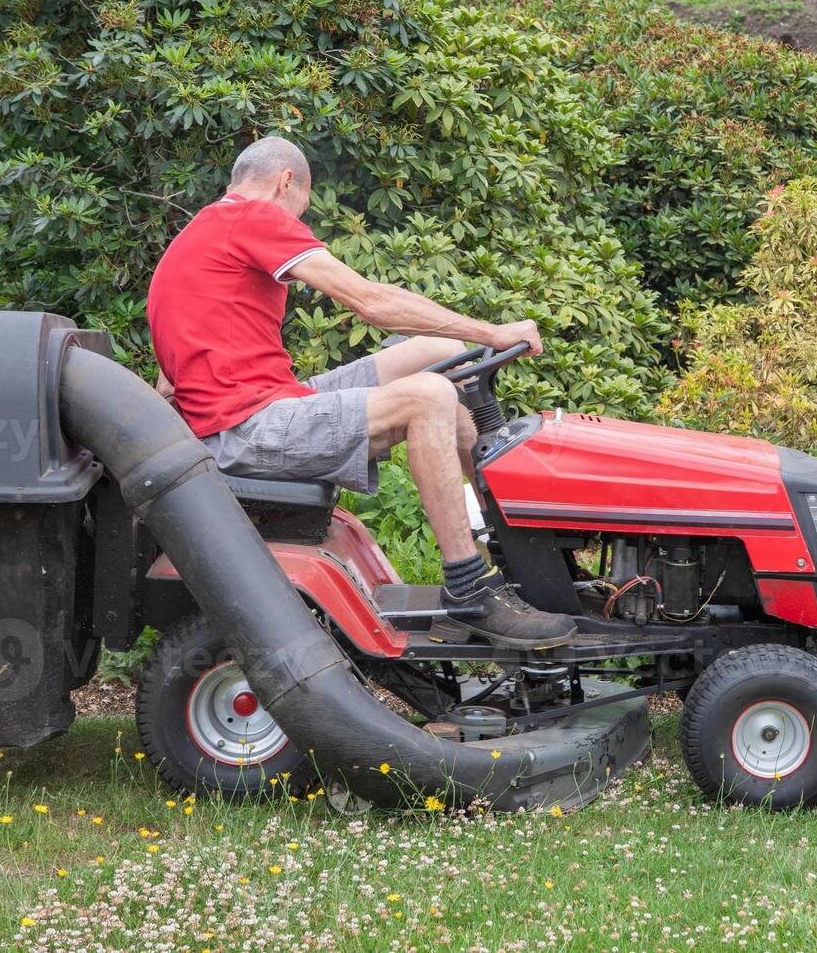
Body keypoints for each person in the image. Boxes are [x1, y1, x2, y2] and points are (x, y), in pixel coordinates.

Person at [146, 136, 575, 650]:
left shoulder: (197, 235)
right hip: (251, 427)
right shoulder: (256, 217)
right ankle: (470, 588)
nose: (300, 218)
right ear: (287, 182)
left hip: (260, 408)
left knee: (436, 349)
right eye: (302, 205)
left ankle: (511, 540)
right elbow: (370, 301)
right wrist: (495, 331)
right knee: (430, 396)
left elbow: (169, 383)